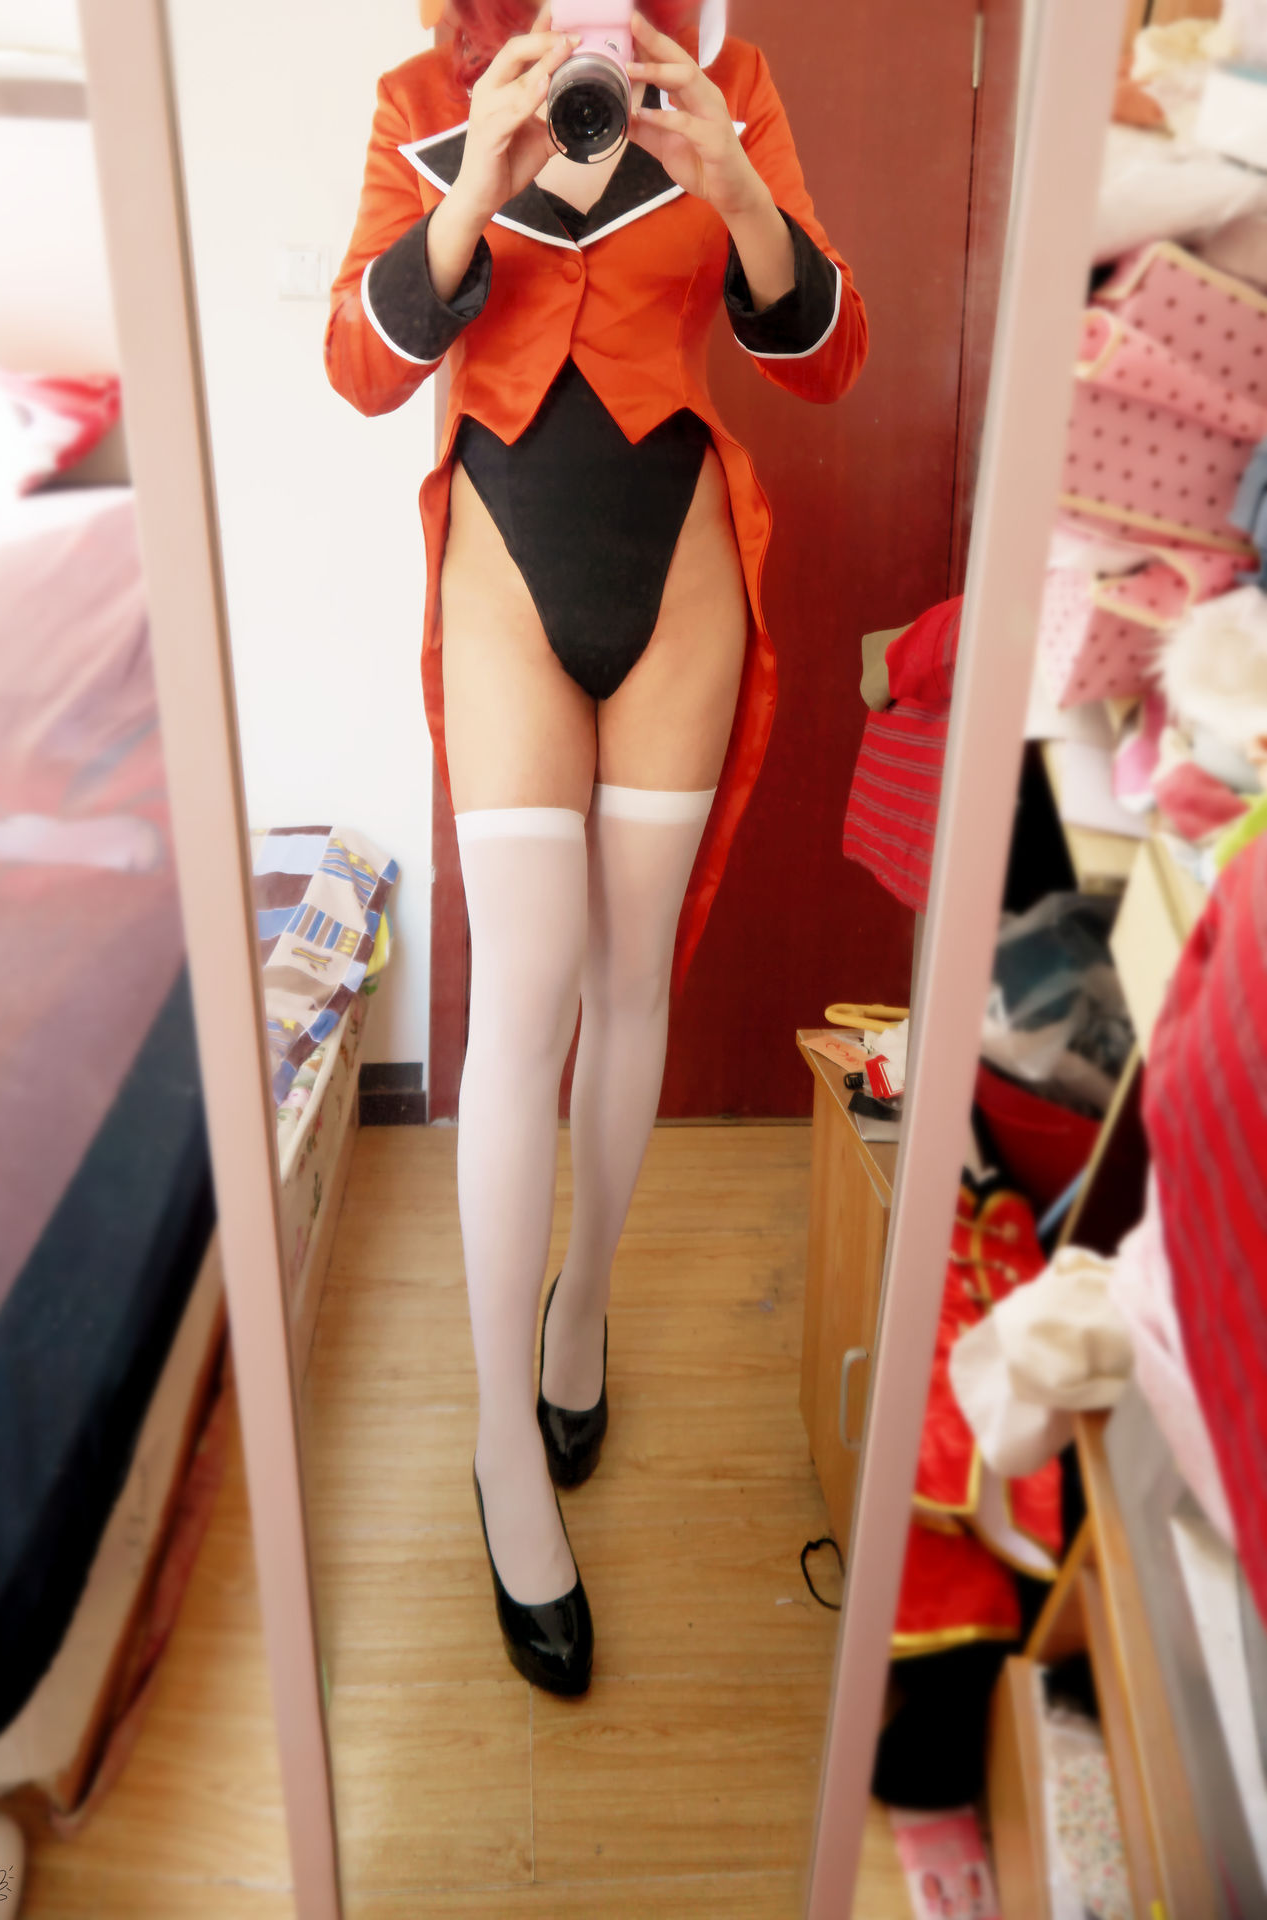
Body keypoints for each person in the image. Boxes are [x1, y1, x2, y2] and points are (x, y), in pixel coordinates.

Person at [325, 0, 867, 1695]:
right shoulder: (425, 94)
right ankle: (503, 1437)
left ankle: (579, 1311)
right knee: (525, 999)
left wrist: (736, 185)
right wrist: (470, 187)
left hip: (678, 566)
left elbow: (825, 355)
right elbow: (360, 366)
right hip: (503, 555)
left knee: (635, 980)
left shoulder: (730, 85)